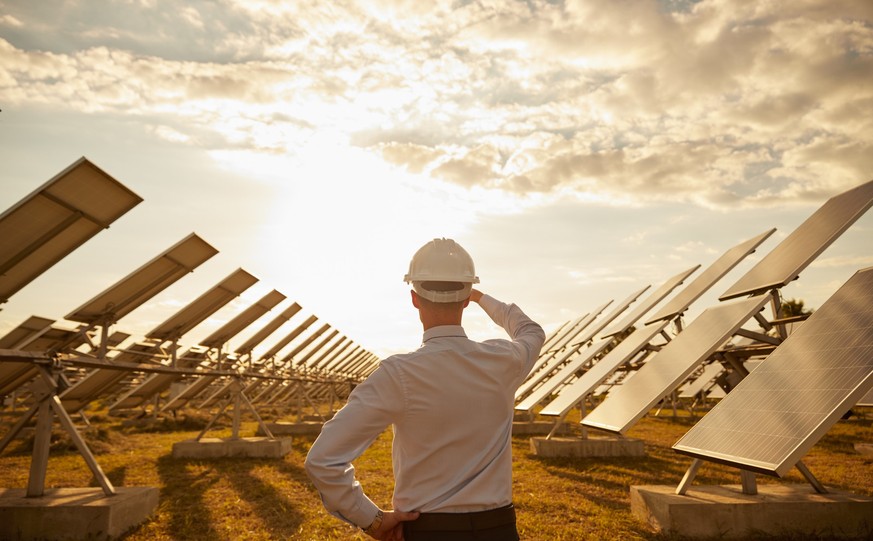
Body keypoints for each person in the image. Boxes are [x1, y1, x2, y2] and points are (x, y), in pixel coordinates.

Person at [305, 238, 545, 541]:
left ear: (414, 298)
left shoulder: (398, 374)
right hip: (498, 529)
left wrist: (372, 520)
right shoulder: (503, 360)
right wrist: (482, 297)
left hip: (427, 530)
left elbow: (323, 459)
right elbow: (531, 331)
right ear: (466, 298)